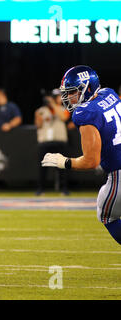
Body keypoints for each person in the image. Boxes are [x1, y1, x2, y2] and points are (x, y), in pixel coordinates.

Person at [42, 65, 121, 246]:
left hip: (119, 174)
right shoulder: (109, 94)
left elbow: (91, 160)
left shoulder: (85, 112)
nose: (68, 97)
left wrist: (65, 162)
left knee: (106, 214)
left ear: (88, 87)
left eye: (73, 92)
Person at [35, 89, 70, 196]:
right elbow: (38, 125)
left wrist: (53, 105)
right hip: (45, 142)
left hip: (60, 141)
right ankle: (41, 189)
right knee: (43, 167)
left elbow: (63, 117)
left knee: (62, 167)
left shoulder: (63, 109)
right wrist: (40, 115)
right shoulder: (40, 110)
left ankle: (64, 189)